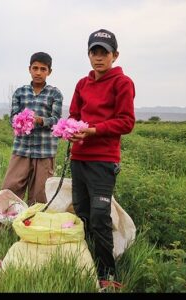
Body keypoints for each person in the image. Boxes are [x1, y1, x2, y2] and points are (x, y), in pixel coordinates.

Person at [68, 29, 135, 290]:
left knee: (99, 217)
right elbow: (74, 115)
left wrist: (94, 130)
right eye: (93, 52)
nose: (98, 57)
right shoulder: (82, 84)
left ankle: (108, 276)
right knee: (81, 213)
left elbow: (126, 121)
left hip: (103, 161)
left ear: (114, 55)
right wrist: (71, 131)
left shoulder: (123, 83)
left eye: (104, 52)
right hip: (79, 158)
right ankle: (85, 265)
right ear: (88, 55)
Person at [2, 52, 63, 206]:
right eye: (35, 68)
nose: (38, 72)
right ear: (29, 69)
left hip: (45, 150)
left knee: (39, 196)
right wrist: (21, 122)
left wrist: (40, 120)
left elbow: (56, 120)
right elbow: (13, 118)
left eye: (43, 69)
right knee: (9, 190)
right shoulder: (20, 93)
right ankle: (4, 226)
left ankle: (31, 228)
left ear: (49, 71)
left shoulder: (54, 93)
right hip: (22, 148)